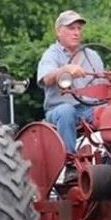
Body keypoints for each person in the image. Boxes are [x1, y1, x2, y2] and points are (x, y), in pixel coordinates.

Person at [37, 10, 105, 156]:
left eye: (79, 29)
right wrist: (65, 70)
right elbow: (46, 79)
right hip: (58, 109)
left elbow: (103, 85)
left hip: (88, 108)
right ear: (58, 31)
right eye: (71, 28)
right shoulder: (51, 55)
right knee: (66, 111)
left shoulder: (92, 55)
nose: (76, 33)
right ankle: (69, 162)